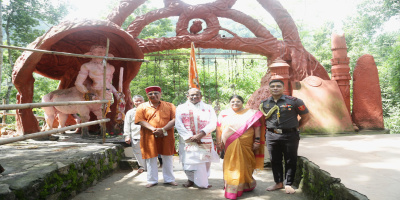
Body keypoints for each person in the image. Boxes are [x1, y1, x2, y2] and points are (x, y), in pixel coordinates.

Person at [259, 79, 310, 194]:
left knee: (290, 159)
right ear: (269, 89)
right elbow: (262, 120)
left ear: (283, 88)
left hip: (290, 135)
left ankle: (288, 184)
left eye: (278, 86)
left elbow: (306, 116)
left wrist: (296, 127)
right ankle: (278, 183)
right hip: (272, 135)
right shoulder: (264, 103)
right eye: (273, 86)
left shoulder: (295, 101)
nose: (275, 88)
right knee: (274, 160)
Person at [216, 95, 265, 199]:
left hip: (246, 141)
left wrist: (257, 141)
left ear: (242, 102)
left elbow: (257, 127)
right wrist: (218, 141)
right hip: (229, 142)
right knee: (231, 163)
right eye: (232, 102)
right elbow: (219, 128)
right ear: (229, 103)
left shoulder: (250, 113)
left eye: (238, 101)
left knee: (246, 162)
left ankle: (246, 184)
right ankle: (231, 186)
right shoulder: (224, 113)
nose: (235, 103)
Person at [175, 88, 219, 189]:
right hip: (187, 140)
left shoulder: (208, 108)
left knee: (205, 161)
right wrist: (190, 137)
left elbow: (213, 122)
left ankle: (204, 181)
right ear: (187, 96)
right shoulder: (181, 108)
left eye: (197, 95)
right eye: (192, 95)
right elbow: (178, 124)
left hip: (204, 138)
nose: (194, 97)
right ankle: (190, 179)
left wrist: (201, 134)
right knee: (188, 162)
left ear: (201, 96)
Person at [135, 86, 177, 188]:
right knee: (151, 157)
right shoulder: (142, 107)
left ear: (160, 94)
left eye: (156, 93)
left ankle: (169, 179)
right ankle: (152, 180)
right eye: (150, 94)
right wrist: (154, 129)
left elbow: (175, 119)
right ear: (147, 96)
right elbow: (140, 120)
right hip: (149, 136)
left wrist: (163, 129)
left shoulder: (170, 106)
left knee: (167, 157)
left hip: (166, 135)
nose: (153, 95)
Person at [123, 95, 146, 173]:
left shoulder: (148, 110)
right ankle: (142, 166)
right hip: (136, 135)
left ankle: (149, 166)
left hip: (148, 135)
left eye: (140, 100)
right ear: (133, 102)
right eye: (136, 101)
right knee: (137, 152)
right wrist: (127, 136)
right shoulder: (130, 112)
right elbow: (127, 124)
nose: (138, 102)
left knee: (149, 151)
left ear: (144, 101)